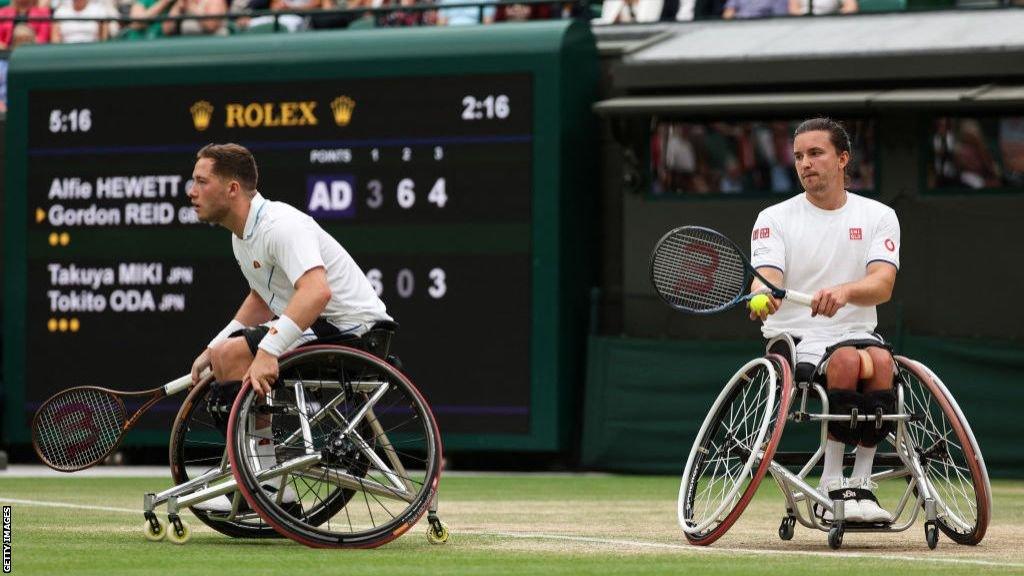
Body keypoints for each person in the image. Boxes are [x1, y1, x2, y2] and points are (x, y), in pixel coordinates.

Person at [186, 143, 392, 511]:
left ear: (232, 188)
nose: (191, 190)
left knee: (235, 357)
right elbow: (261, 299)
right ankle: (261, 482)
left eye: (201, 181)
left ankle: (265, 488)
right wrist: (211, 347)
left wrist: (267, 351)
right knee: (225, 359)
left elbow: (316, 291)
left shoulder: (280, 225)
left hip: (355, 334)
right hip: (323, 329)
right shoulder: (242, 236)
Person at [749, 117, 900, 524]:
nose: (805, 163)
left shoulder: (879, 216)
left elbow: (882, 283)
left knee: (882, 363)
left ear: (842, 159)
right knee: (849, 362)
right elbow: (768, 279)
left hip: (857, 332)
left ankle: (862, 485)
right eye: (798, 156)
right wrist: (764, 297)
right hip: (796, 336)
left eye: (816, 153)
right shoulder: (773, 218)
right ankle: (833, 484)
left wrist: (845, 292)